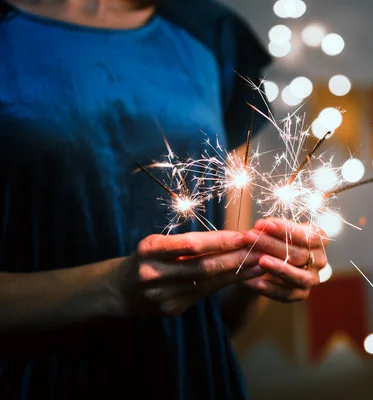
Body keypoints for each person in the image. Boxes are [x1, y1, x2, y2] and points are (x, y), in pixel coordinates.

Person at [0, 0, 328, 398]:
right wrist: (116, 288)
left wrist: (260, 273)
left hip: (191, 376)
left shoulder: (213, 33)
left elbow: (224, 307)